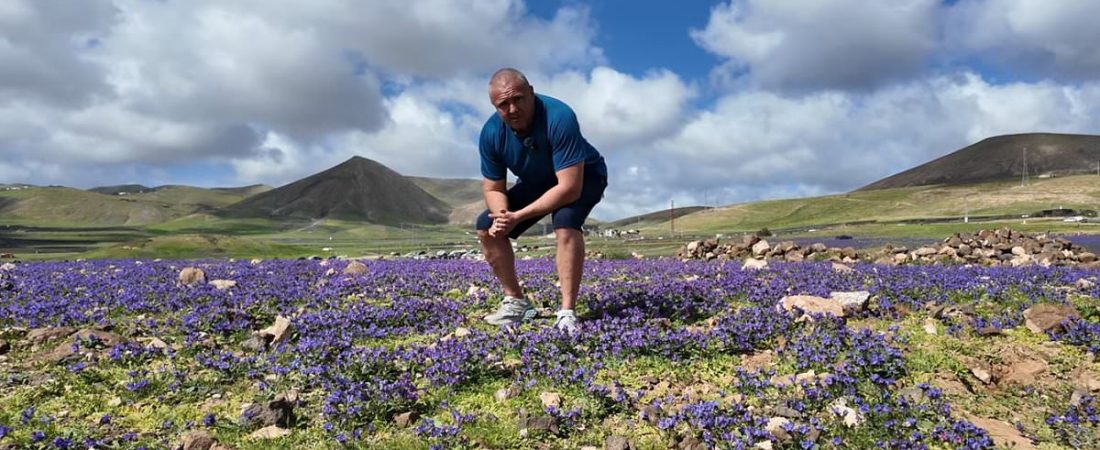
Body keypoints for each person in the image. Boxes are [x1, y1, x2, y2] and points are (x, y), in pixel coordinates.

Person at [475, 68, 608, 333]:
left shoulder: (559, 116)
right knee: (486, 227)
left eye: (519, 99)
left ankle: (567, 311)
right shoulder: (491, 134)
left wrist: (519, 217)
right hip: (538, 181)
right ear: (495, 106)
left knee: (565, 221)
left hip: (584, 175)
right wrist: (503, 216)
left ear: (531, 93)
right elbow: (493, 187)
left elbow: (569, 188)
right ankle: (516, 301)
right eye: (503, 104)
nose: (513, 109)